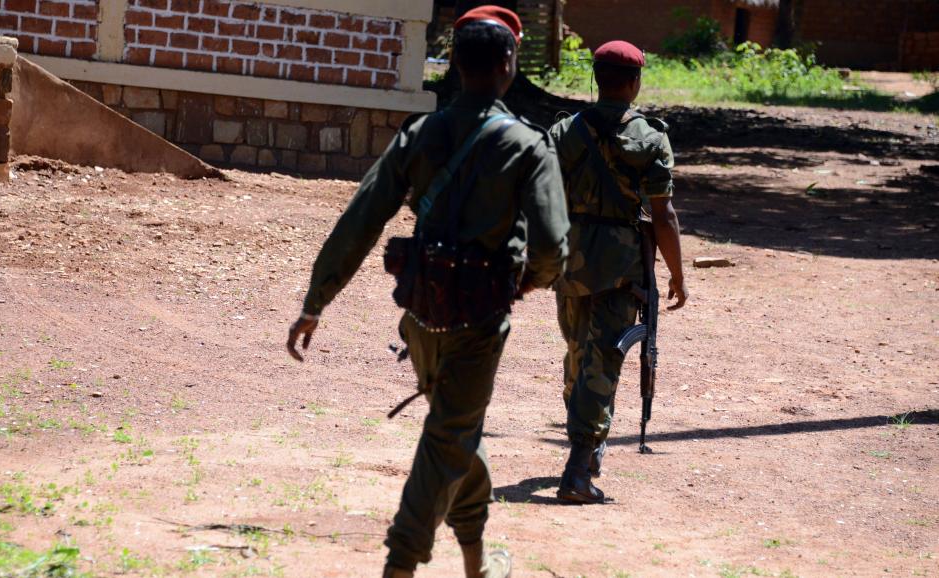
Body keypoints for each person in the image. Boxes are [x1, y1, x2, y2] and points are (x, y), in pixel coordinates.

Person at [285, 6, 569, 576]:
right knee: (449, 436)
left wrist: (316, 302)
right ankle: (400, 562)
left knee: (456, 428)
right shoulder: (527, 144)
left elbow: (360, 221)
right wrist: (524, 283)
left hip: (419, 317)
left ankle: (476, 560)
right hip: (478, 322)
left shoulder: (418, 134)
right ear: (508, 63)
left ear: (456, 64)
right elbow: (552, 251)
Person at [548, 40, 688, 504]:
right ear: (634, 82)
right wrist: (677, 274)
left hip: (570, 258)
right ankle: (577, 469)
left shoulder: (565, 131)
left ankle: (586, 449)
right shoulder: (650, 138)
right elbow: (663, 215)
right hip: (622, 265)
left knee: (578, 353)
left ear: (597, 78)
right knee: (603, 360)